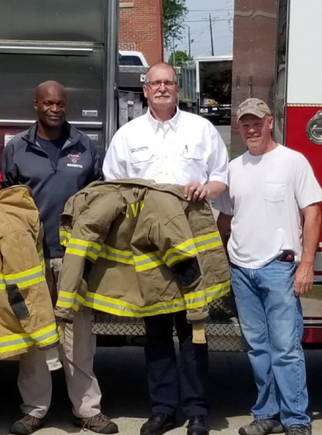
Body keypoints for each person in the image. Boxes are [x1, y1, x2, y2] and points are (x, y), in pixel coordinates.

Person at [102, 62, 229, 435]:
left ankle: (196, 411)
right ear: (145, 90)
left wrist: (206, 190)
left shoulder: (201, 129)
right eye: (155, 83)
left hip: (192, 239)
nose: (161, 88)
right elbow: (113, 186)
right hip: (147, 245)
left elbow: (221, 176)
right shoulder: (128, 134)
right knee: (155, 331)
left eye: (168, 83)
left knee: (194, 329)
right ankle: (162, 409)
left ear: (177, 88)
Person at [1, 81, 117, 435]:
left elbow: (99, 196)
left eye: (61, 103)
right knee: (35, 334)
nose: (55, 108)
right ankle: (35, 409)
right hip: (31, 257)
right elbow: (5, 203)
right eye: (48, 103)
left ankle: (87, 409)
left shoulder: (83, 145)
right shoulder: (16, 148)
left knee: (78, 338)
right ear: (35, 104)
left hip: (73, 258)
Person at [215, 98, 322, 435]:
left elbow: (313, 214)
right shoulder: (234, 168)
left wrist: (306, 264)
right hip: (241, 270)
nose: (250, 129)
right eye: (245, 123)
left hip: (279, 268)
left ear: (270, 122)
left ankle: (295, 419)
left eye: (256, 122)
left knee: (286, 348)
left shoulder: (293, 162)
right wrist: (219, 259)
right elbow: (225, 219)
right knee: (258, 348)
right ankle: (266, 415)